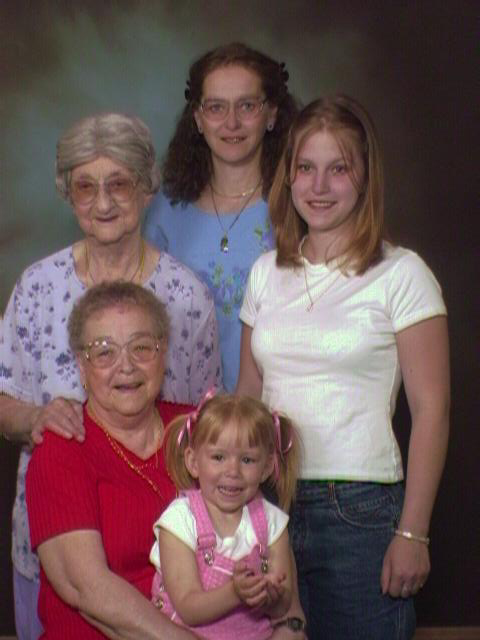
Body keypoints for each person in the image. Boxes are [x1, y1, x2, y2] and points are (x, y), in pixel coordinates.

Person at [0, 112, 221, 640]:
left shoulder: (185, 296)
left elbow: (202, 424)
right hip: (57, 540)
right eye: (85, 186)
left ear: (147, 189)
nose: (103, 203)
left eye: (119, 183)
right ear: (68, 195)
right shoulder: (37, 287)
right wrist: (38, 415)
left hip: (174, 560)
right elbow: (4, 394)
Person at [237, 96, 450, 639]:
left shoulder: (402, 274)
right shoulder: (265, 274)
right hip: (269, 499)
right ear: (288, 177)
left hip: (359, 509)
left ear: (365, 176)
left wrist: (414, 533)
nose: (320, 186)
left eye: (339, 169)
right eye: (306, 168)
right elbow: (248, 397)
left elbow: (432, 410)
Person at [26, 281, 202, 638]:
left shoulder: (198, 428)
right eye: (104, 352)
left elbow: (260, 529)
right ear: (81, 365)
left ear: (163, 352)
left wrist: (287, 621)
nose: (126, 367)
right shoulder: (61, 450)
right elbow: (87, 588)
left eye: (141, 348)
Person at [144, 42, 298, 391]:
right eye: (216, 107)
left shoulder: (301, 203)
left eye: (247, 105)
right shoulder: (164, 211)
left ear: (271, 114)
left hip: (279, 413)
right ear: (198, 118)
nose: (232, 122)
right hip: (185, 413)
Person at [150, 393, 301, 639]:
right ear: (193, 461)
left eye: (247, 460)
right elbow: (189, 607)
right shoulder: (180, 519)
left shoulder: (272, 523)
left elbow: (282, 608)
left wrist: (271, 595)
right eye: (218, 457)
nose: (232, 471)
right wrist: (235, 592)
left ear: (266, 467)